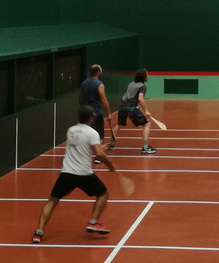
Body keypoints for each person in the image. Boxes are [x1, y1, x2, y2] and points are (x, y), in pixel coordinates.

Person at [32, 106, 120, 242]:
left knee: (52, 201)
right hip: (84, 174)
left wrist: (101, 149)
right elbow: (97, 153)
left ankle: (38, 232)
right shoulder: (92, 133)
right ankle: (93, 221)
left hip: (67, 173)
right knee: (103, 194)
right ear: (91, 118)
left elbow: (82, 148)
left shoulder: (71, 130)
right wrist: (110, 165)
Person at [117, 68, 156, 154]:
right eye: (147, 74)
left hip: (122, 106)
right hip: (131, 107)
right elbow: (140, 99)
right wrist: (146, 111)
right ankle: (145, 147)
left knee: (119, 125)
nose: (147, 75)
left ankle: (110, 144)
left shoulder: (130, 84)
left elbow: (126, 95)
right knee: (147, 124)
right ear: (144, 77)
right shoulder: (142, 86)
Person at [80, 62, 114, 157]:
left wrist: (82, 109)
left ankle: (84, 154)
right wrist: (109, 113)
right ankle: (98, 157)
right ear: (98, 72)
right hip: (96, 113)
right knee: (99, 135)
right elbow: (103, 99)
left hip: (85, 113)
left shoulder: (84, 83)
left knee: (86, 135)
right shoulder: (99, 84)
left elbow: (80, 98)